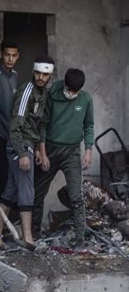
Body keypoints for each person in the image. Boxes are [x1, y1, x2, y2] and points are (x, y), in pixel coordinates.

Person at [0, 56, 54, 249]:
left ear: (50, 76)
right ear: (33, 72)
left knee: (11, 192)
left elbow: (38, 125)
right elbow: (15, 124)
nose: (41, 77)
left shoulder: (43, 93)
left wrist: (39, 149)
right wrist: (23, 152)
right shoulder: (27, 91)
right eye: (38, 73)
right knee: (27, 191)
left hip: (28, 146)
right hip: (19, 146)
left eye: (45, 74)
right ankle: (28, 238)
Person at [33, 68, 94, 243]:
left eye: (76, 92)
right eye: (69, 90)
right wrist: (43, 153)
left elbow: (89, 125)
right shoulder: (52, 94)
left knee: (76, 196)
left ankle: (80, 239)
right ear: (64, 85)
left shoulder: (86, 99)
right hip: (50, 149)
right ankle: (34, 233)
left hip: (72, 151)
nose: (72, 94)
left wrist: (88, 150)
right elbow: (42, 125)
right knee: (38, 194)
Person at [0, 41, 20, 201]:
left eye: (14, 55)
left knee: (10, 178)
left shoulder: (15, 76)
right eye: (7, 55)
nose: (10, 59)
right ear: (1, 54)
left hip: (11, 136)